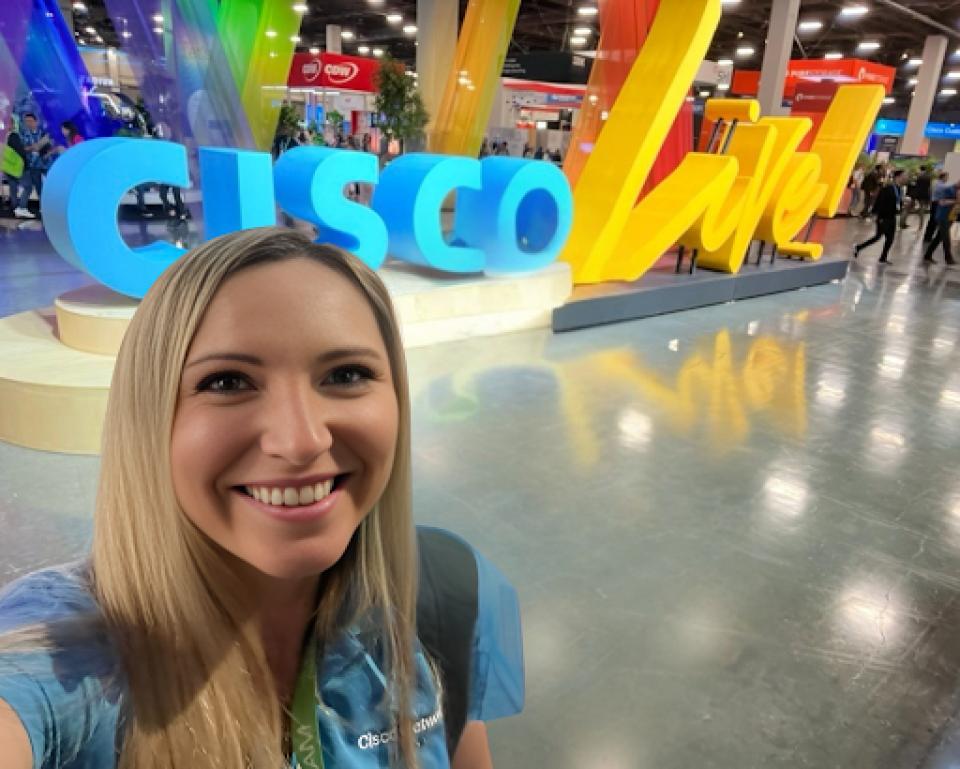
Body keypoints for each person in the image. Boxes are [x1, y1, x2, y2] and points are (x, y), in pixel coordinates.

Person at [0, 228, 523, 769]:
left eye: (346, 374)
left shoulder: (440, 591)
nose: (301, 442)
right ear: (148, 417)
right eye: (228, 382)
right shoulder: (58, 660)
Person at [854, 168, 905, 264]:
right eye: (904, 176)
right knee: (878, 237)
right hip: (884, 217)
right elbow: (880, 202)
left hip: (892, 216)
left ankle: (882, 257)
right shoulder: (888, 188)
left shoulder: (899, 189)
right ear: (898, 177)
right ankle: (858, 247)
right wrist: (878, 216)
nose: (906, 178)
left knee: (889, 239)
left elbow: (897, 201)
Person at [14, 112, 51, 218]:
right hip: (33, 165)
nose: (28, 123)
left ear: (36, 121)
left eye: (30, 121)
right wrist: (32, 148)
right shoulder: (24, 134)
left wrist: (43, 149)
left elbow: (50, 145)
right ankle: (42, 207)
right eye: (26, 121)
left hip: (45, 164)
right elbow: (23, 149)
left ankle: (49, 206)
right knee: (38, 187)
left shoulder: (43, 133)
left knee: (49, 186)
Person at [922, 181, 958, 266]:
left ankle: (927, 255)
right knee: (946, 238)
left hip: (950, 217)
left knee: (939, 237)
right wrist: (956, 201)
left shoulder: (956, 190)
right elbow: (942, 202)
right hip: (943, 217)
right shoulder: (949, 189)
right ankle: (948, 258)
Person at [3, 116, 29, 218]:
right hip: (16, 166)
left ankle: (15, 208)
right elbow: (19, 151)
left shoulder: (4, 136)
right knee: (27, 187)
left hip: (8, 166)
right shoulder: (13, 136)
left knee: (13, 188)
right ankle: (20, 208)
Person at [924, 171, 950, 243]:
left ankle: (927, 236)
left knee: (932, 221)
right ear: (943, 177)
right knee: (934, 221)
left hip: (933, 202)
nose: (947, 179)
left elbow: (930, 191)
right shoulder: (942, 185)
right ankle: (928, 237)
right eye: (947, 177)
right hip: (937, 204)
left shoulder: (934, 183)